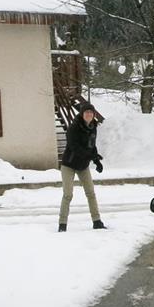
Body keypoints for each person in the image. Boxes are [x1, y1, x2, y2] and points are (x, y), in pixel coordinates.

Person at [58, 99, 106, 231]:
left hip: (83, 165)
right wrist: (90, 156)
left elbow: (92, 146)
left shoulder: (93, 128)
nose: (89, 114)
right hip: (69, 164)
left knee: (91, 193)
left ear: (94, 114)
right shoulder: (74, 127)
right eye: (86, 112)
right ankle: (62, 224)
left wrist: (96, 160)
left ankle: (97, 221)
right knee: (68, 194)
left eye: (91, 112)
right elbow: (75, 147)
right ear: (81, 114)